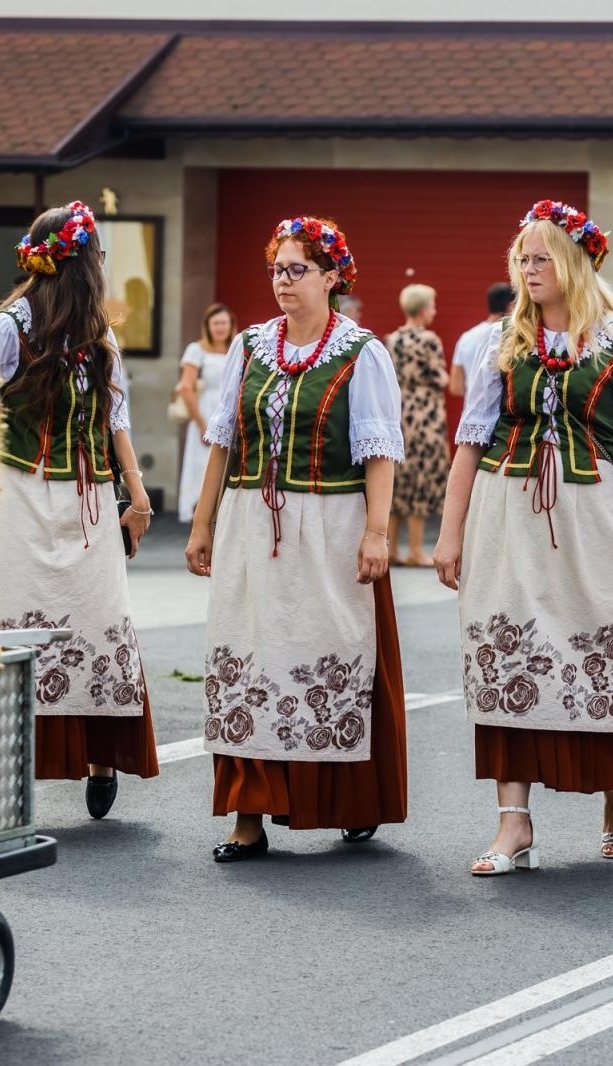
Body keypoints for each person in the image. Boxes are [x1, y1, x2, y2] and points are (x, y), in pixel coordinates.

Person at [434, 199, 613, 876]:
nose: (529, 267)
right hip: (503, 513)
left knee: (598, 649)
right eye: (522, 256)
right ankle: (513, 820)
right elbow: (470, 441)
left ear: (575, 263)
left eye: (542, 256)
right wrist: (449, 532)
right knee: (503, 652)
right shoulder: (499, 341)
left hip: (591, 518)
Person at [185, 216, 408, 862]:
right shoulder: (250, 348)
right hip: (251, 524)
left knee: (327, 654)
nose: (283, 281)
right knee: (250, 656)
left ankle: (344, 799)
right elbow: (223, 442)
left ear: (332, 277)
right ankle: (248, 816)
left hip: (331, 527)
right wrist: (202, 525)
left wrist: (376, 531)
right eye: (277, 269)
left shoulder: (362, 352)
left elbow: (380, 452)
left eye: (297, 269)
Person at [0, 201, 159, 819]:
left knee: (97, 620)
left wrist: (137, 492)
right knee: (6, 621)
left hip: (88, 499)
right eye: (98, 254)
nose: (102, 265)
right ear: (79, 263)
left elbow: (115, 419)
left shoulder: (99, 335)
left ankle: (99, 756)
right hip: (16, 498)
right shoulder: (6, 327)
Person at [385, 284, 449, 566]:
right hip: (425, 416)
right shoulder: (429, 340)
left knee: (398, 480)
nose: (435, 311)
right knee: (420, 480)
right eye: (433, 305)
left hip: (399, 414)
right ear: (424, 309)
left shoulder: (392, 340)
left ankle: (390, 549)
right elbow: (441, 378)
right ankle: (414, 550)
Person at [176, 302, 237, 523]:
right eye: (215, 323)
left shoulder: (237, 348)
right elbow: (185, 387)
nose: (220, 327)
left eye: (224, 323)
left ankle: (222, 516)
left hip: (231, 412)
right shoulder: (197, 349)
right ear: (208, 326)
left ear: (231, 326)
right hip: (206, 414)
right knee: (201, 468)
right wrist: (201, 423)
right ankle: (199, 518)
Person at [450, 283, 516, 399]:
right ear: (510, 306)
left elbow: (456, 387)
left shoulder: (466, 337)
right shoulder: (511, 337)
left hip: (471, 413)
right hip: (502, 413)